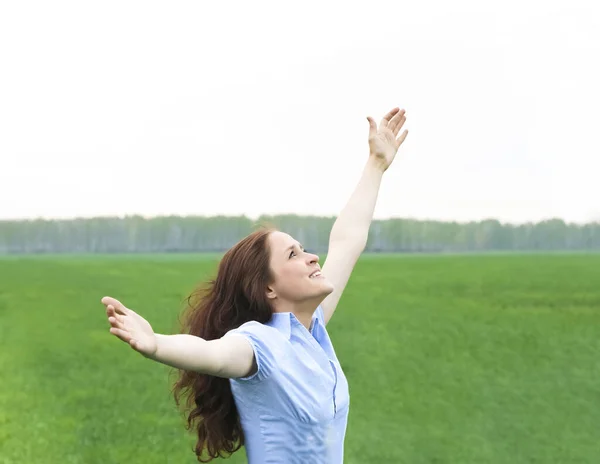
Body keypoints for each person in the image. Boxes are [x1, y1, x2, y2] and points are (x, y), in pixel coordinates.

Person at [100, 107, 408, 463]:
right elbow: (214, 355)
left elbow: (347, 241)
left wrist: (376, 164)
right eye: (293, 254)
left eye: (305, 249)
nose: (312, 257)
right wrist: (156, 345)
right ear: (268, 289)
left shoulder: (313, 329)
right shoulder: (259, 344)